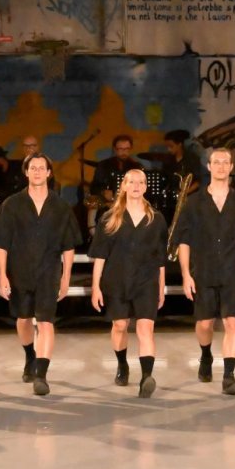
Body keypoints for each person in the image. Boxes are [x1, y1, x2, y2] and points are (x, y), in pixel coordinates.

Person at [0, 153, 81, 396]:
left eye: (42, 168)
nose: (38, 172)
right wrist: (2, 275)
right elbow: (1, 244)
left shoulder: (61, 207)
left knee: (46, 321)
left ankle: (41, 375)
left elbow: (69, 245)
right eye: (33, 168)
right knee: (23, 319)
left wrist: (66, 276)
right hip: (19, 270)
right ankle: (30, 355)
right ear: (26, 172)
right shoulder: (11, 205)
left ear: (49, 173)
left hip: (49, 270)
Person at [175, 148, 235, 396]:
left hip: (233, 272)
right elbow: (184, 242)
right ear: (209, 167)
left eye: (225, 162)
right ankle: (205, 355)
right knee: (204, 324)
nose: (221, 166)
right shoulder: (194, 203)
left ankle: (229, 376)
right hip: (204, 271)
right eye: (216, 162)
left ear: (231, 167)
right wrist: (186, 274)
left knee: (233, 322)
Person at [90, 169, 168, 399]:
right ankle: (122, 365)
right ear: (123, 185)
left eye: (141, 182)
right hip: (117, 280)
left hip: (146, 280)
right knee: (120, 326)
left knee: (146, 328)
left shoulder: (156, 219)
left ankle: (146, 377)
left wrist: (161, 286)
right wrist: (95, 287)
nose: (136, 186)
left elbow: (160, 258)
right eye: (131, 182)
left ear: (145, 187)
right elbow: (100, 256)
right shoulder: (110, 218)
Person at [89, 134, 145, 205]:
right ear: (114, 149)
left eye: (127, 149)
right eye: (120, 149)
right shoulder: (104, 165)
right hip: (107, 204)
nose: (124, 152)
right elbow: (94, 188)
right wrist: (103, 192)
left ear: (131, 149)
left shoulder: (136, 167)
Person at [161, 129, 203, 195]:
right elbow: (165, 179)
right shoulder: (167, 160)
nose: (168, 149)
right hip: (173, 195)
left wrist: (184, 193)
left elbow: (197, 182)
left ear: (179, 144)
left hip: (190, 196)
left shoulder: (192, 159)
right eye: (167, 147)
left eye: (171, 146)